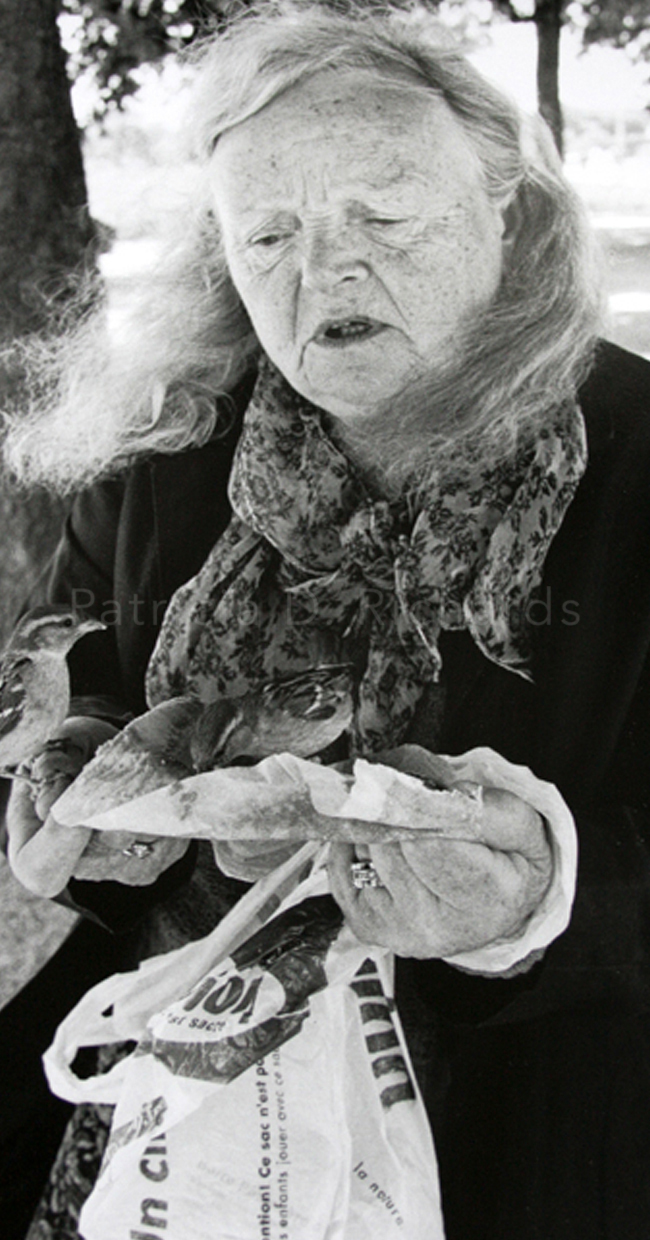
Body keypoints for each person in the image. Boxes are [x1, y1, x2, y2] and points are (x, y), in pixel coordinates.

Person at [2, 4, 650, 1237]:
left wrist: (539, 896)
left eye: (384, 215)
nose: (325, 271)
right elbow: (80, 665)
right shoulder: (167, 452)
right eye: (268, 233)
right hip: (167, 1109)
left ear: (508, 208)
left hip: (524, 1132)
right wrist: (82, 772)